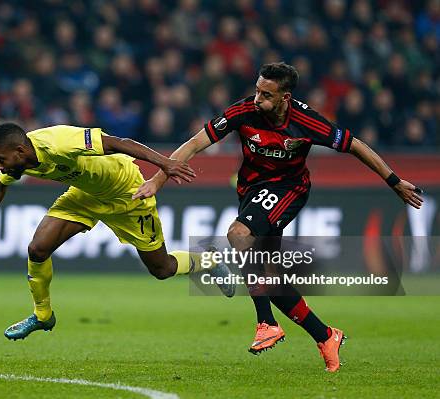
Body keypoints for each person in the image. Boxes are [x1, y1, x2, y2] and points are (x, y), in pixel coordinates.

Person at [133, 62, 423, 372]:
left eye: (267, 95)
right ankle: (326, 336)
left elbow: (356, 146)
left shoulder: (307, 121)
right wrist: (156, 181)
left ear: (285, 97)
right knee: (268, 279)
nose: (258, 99)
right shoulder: (243, 111)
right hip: (250, 191)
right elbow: (192, 145)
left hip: (289, 190)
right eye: (257, 91)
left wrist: (394, 182)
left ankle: (266, 323)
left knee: (238, 235)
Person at [0, 123, 233, 341]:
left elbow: (118, 142)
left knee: (161, 269)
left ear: (20, 150)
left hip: (127, 191)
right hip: (87, 195)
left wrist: (164, 164)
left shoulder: (59, 142)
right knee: (37, 249)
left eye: (0, 159)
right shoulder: (19, 161)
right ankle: (43, 315)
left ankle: (209, 260)